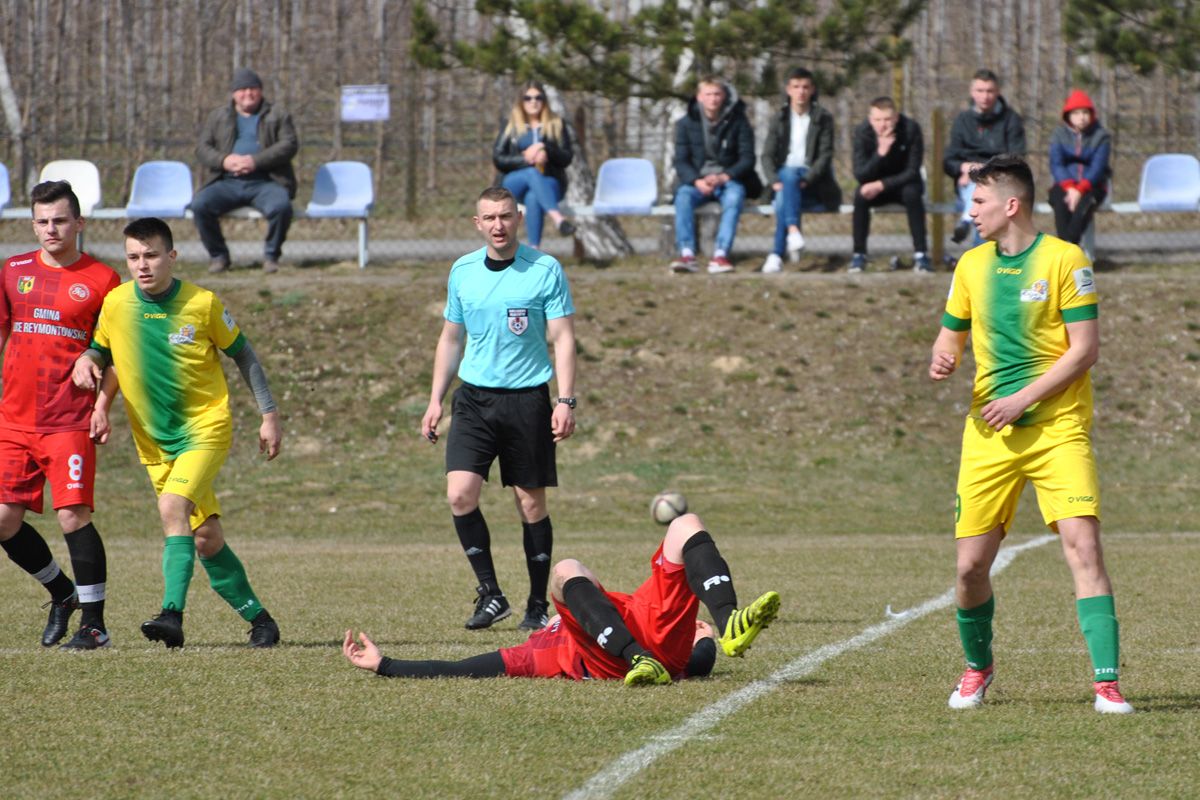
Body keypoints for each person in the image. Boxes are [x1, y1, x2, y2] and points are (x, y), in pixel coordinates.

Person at [927, 155, 1133, 715]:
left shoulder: (1065, 259)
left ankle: (1107, 684)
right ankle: (978, 667)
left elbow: (1084, 350)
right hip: (987, 435)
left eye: (978, 202)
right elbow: (949, 336)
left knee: (1084, 547)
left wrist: (1021, 399)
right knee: (969, 568)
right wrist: (944, 356)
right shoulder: (970, 266)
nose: (971, 212)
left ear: (1011, 205)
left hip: (1058, 429)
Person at [73, 217, 283, 649]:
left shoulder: (202, 304)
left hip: (204, 429)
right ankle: (261, 621)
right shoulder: (117, 303)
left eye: (151, 255)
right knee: (205, 538)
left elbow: (244, 355)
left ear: (171, 256)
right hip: (154, 442)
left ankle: (172, 615)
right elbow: (104, 352)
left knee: (172, 507)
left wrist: (269, 415)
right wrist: (96, 390)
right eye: (133, 257)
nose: (142, 265)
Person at [342, 513, 781, 685]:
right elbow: (461, 669)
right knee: (567, 567)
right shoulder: (535, 653)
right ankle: (638, 656)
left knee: (685, 525)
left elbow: (698, 663)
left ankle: (730, 620)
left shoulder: (580, 616)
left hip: (646, 632)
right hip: (632, 656)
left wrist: (708, 640)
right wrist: (386, 665)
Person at [421, 187, 576, 633]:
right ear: (478, 223)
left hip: (527, 400)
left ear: (518, 218)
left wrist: (565, 400)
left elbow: (563, 338)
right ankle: (491, 594)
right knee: (459, 495)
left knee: (530, 504)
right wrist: (435, 399)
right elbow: (451, 338)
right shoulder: (463, 271)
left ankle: (536, 604)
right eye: (489, 217)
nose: (498, 225)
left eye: (505, 216)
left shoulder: (544, 269)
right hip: (474, 400)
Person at [0, 181, 120, 650]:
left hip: (68, 419)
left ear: (79, 223)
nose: (52, 229)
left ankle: (95, 625)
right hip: (13, 420)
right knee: (3, 521)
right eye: (43, 221)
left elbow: (115, 354)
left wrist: (103, 406)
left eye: (61, 220)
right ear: (33, 225)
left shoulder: (104, 279)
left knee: (72, 515)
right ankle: (62, 592)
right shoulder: (13, 271)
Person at [192, 67, 298, 275]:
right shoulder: (218, 116)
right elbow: (202, 148)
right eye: (242, 89)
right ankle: (219, 256)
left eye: (253, 88)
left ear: (260, 91)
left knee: (281, 207)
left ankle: (271, 256)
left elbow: (289, 144)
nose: (248, 93)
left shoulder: (277, 114)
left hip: (267, 182)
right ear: (234, 93)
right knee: (200, 205)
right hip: (226, 182)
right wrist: (224, 160)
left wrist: (255, 161)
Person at [669, 76, 762, 274]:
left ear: (724, 96)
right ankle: (687, 254)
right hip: (697, 182)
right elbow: (681, 161)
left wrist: (725, 176)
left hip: (727, 181)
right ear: (699, 97)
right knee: (683, 197)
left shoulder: (739, 122)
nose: (713, 99)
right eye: (708, 94)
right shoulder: (685, 124)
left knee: (735, 196)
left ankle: (720, 255)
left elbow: (747, 158)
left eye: (717, 94)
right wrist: (696, 181)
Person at [760, 67, 842, 274]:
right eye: (796, 87)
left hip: (813, 182)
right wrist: (773, 180)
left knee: (784, 194)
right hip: (784, 179)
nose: (801, 92)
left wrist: (807, 179)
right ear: (788, 90)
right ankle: (793, 231)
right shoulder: (779, 118)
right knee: (787, 179)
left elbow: (825, 156)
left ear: (812, 89)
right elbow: (767, 156)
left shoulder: (823, 118)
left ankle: (776, 254)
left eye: (805, 87)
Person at [943, 69, 1026, 245]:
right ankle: (980, 249)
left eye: (990, 91)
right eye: (980, 90)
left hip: (1002, 183)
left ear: (998, 92)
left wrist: (985, 170)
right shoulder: (962, 120)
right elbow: (949, 161)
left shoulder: (1011, 119)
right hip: (967, 185)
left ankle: (966, 220)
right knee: (981, 197)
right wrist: (964, 168)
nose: (985, 96)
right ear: (972, 92)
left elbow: (1016, 158)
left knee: (986, 202)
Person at [849, 97, 930, 274]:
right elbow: (860, 174)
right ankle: (858, 255)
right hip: (874, 187)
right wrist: (880, 153)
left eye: (887, 119)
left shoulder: (910, 129)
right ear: (870, 119)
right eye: (878, 120)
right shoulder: (862, 132)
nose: (883, 125)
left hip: (904, 184)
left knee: (912, 194)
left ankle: (921, 255)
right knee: (860, 195)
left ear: (896, 118)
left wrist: (881, 184)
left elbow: (912, 171)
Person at [492, 80, 576, 247]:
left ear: (544, 100)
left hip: (549, 182)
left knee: (533, 196)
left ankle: (534, 250)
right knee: (531, 172)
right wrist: (526, 160)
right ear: (521, 101)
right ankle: (558, 219)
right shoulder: (510, 125)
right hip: (514, 183)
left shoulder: (557, 123)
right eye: (528, 98)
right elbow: (499, 158)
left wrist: (545, 149)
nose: (533, 102)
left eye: (538, 98)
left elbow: (567, 157)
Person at [1048, 90, 1111, 245]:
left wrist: (1080, 189)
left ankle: (1069, 245)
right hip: (1064, 185)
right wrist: (1070, 187)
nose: (1081, 117)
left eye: (1085, 112)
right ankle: (1066, 246)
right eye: (1076, 113)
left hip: (1092, 186)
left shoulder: (1101, 136)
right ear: (1068, 116)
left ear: (1092, 114)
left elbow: (1098, 167)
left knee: (1081, 212)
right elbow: (1056, 163)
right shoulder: (1059, 134)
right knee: (1060, 206)